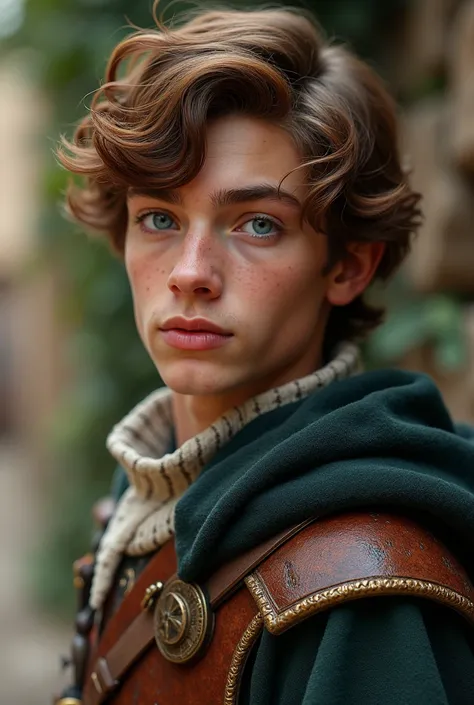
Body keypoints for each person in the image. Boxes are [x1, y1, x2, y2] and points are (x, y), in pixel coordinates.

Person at [54, 5, 474, 704]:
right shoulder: (149, 497)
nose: (191, 271)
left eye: (256, 223)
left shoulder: (364, 594)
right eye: (158, 217)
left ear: (347, 266)